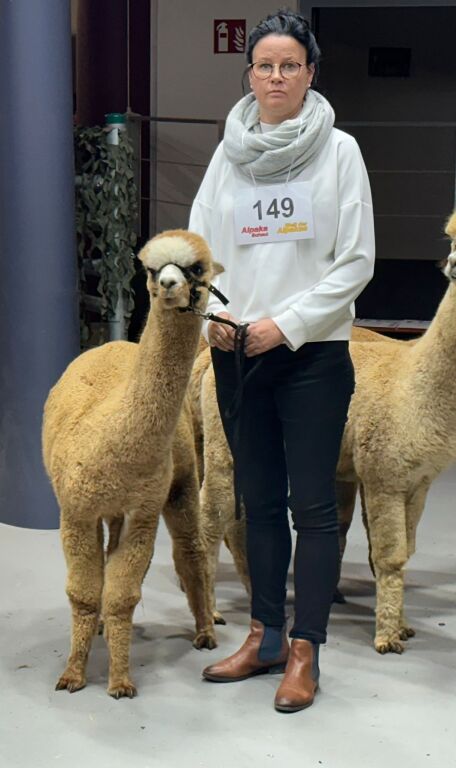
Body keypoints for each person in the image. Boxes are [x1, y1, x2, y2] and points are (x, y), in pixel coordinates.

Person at [188, 10, 375, 713]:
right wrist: (212, 317)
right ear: (250, 76)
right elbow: (199, 247)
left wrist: (286, 326)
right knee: (257, 501)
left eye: (289, 65)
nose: (276, 77)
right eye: (264, 65)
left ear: (310, 74)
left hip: (313, 356)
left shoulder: (341, 153)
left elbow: (356, 262)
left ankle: (305, 649)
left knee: (313, 506)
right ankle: (265, 635)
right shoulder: (227, 155)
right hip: (238, 354)